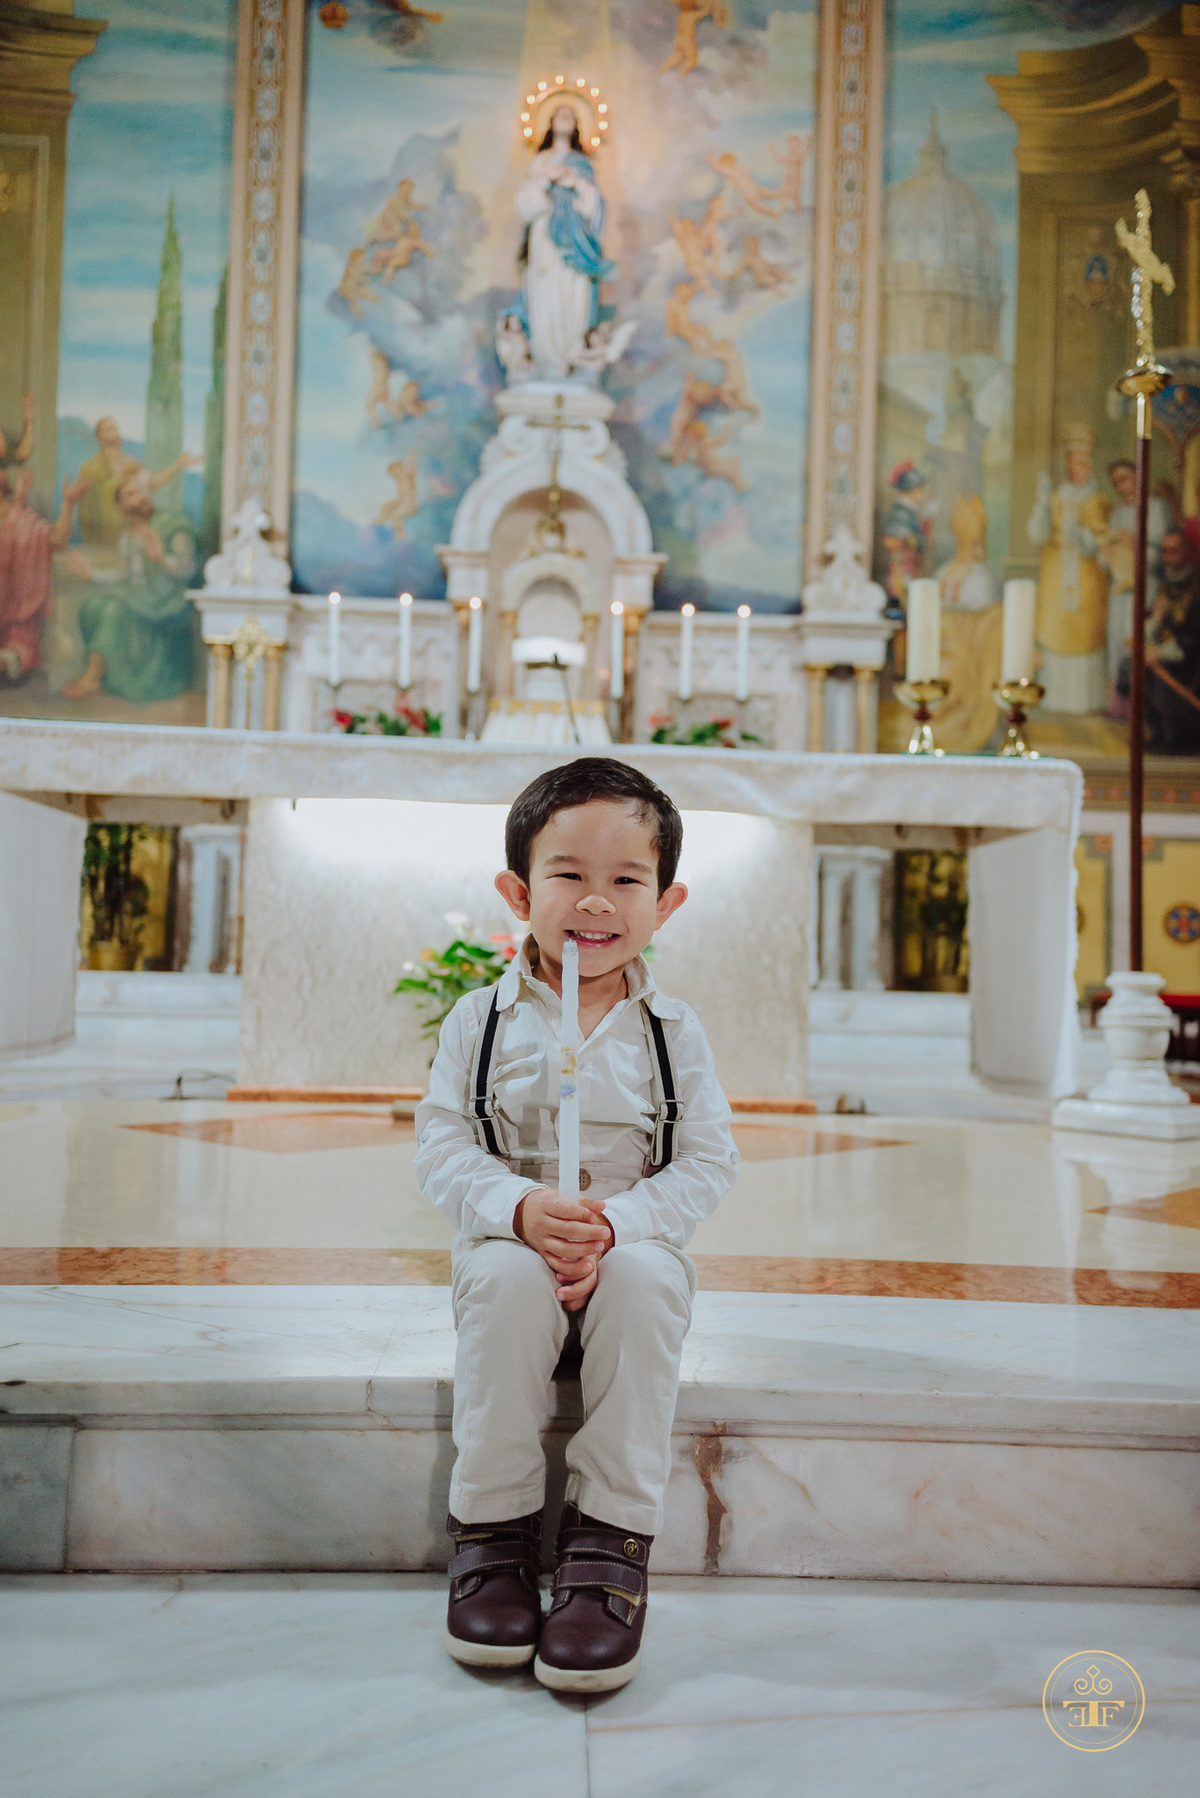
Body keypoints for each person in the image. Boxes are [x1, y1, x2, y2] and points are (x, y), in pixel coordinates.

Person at [415, 758, 738, 1694]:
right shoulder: (477, 1022)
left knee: (644, 1287)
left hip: (629, 1248)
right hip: (512, 1245)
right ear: (518, 890)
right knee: (508, 1282)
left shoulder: (674, 1033)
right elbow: (441, 1147)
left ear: (666, 902)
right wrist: (515, 1210)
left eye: (626, 879)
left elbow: (708, 1161)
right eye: (568, 875)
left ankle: (610, 1539)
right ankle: (495, 1529)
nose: (596, 902)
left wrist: (619, 1224)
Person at [61, 472, 200, 703]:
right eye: (131, 494)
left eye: (141, 491)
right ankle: (111, 670)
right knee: (92, 607)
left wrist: (162, 559)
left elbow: (188, 568)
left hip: (166, 600)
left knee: (115, 610)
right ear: (120, 505)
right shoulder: (127, 537)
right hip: (139, 597)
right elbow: (123, 576)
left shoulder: (173, 526)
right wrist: (91, 574)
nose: (140, 497)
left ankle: (92, 677)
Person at [515, 104, 614, 378]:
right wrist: (547, 179)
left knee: (573, 289)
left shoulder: (583, 165)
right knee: (544, 288)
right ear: (550, 122)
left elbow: (595, 209)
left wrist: (575, 183)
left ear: (577, 125)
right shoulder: (540, 162)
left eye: (570, 115)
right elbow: (525, 205)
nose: (565, 118)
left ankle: (569, 356)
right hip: (546, 238)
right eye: (560, 114)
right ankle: (545, 357)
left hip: (576, 242)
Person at [1027, 422, 1111, 714]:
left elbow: (1102, 543)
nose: (1079, 469)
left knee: (1085, 633)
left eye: (1083, 463)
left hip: (1087, 581)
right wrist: (1041, 505)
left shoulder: (1098, 500)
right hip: (1056, 577)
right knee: (1054, 630)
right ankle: (1055, 700)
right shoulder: (1055, 497)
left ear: (1089, 467)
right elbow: (1037, 535)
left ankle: (1085, 703)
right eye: (1074, 463)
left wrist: (1080, 534)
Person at [1145, 527, 1200, 754]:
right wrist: (1155, 622)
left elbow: (1195, 638)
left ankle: (1177, 736)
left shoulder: (1197, 588)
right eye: (1165, 552)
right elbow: (1152, 626)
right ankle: (1159, 732)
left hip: (1191, 662)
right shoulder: (1164, 586)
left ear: (1186, 553)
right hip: (1164, 656)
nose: (1168, 558)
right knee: (1133, 671)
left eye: (1174, 551)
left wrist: (1160, 653)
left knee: (1164, 679)